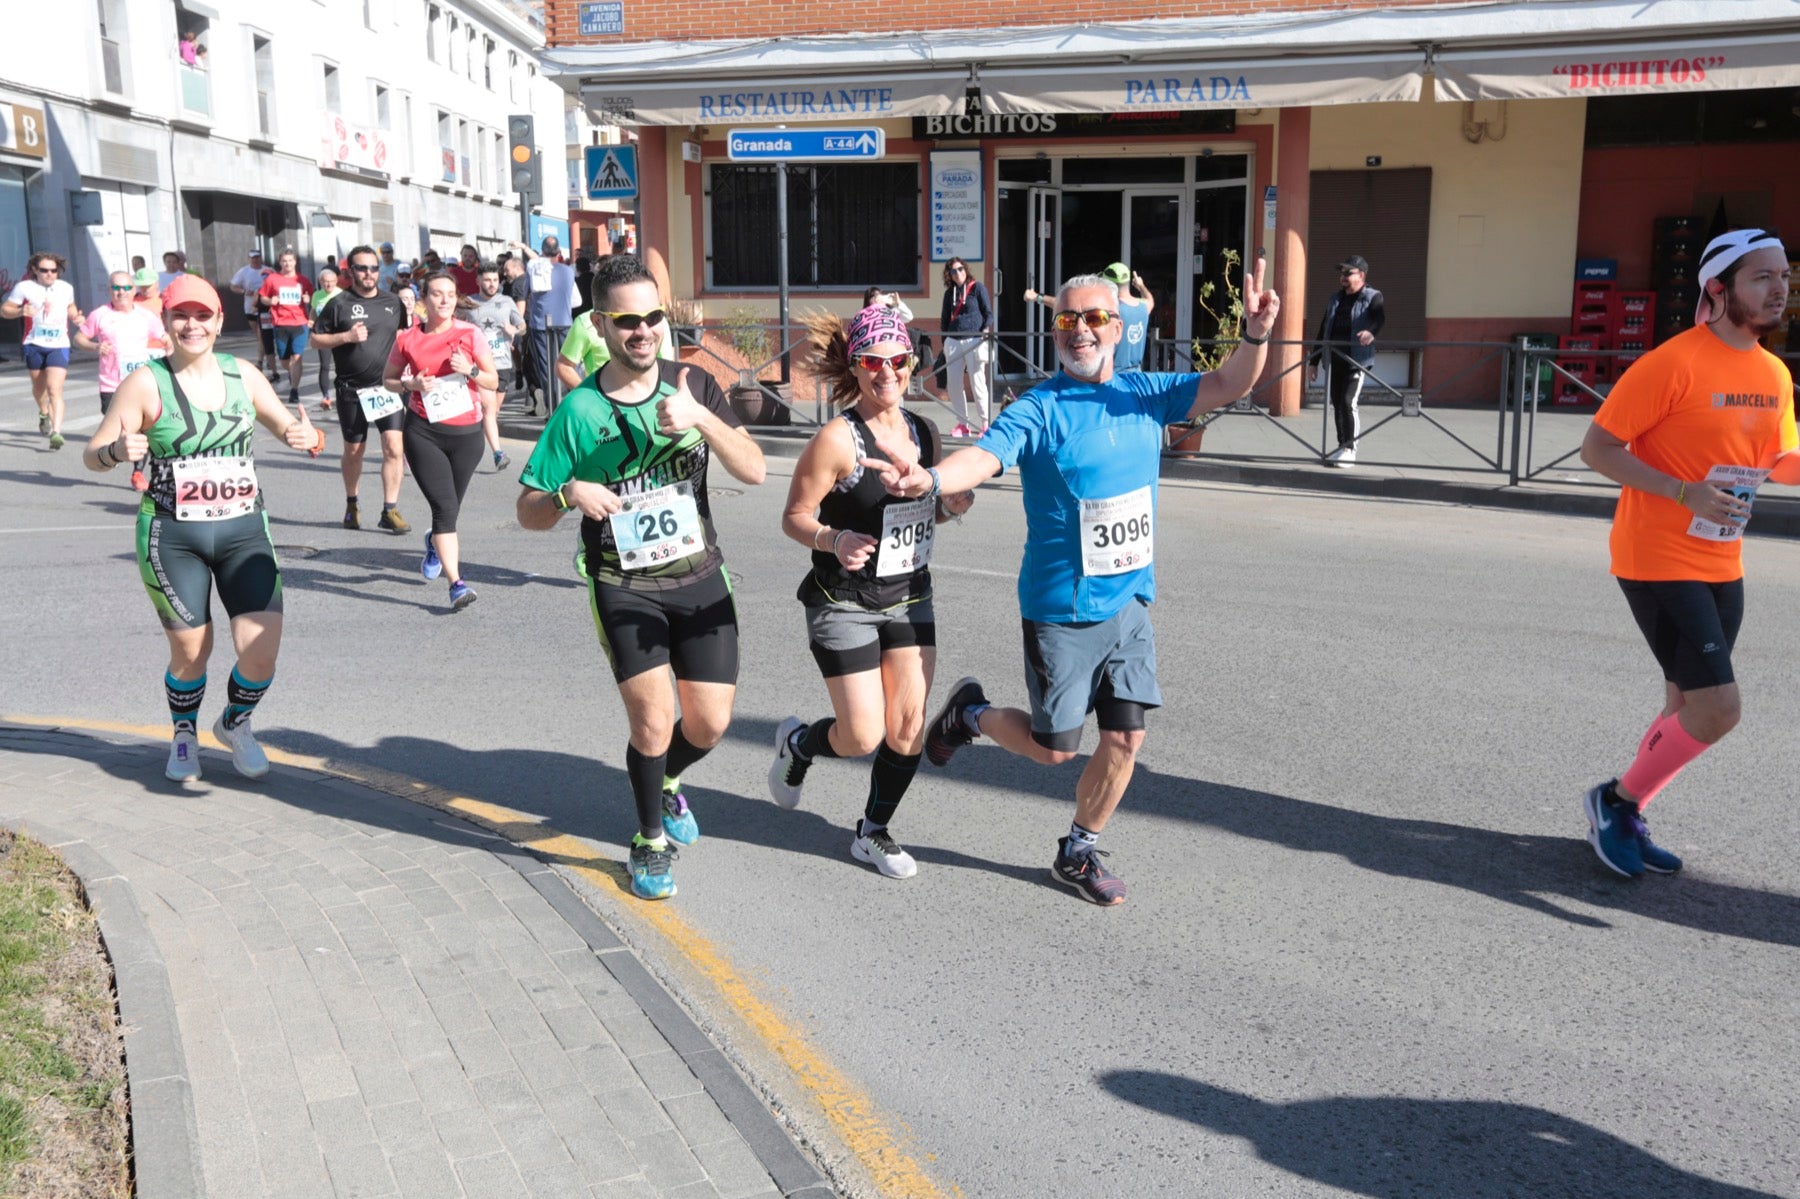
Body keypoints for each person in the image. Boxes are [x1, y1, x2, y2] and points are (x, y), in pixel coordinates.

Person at [863, 261, 1280, 905]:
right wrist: (934, 479)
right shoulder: (1040, 406)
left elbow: (1230, 381)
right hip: (1060, 609)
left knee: (1126, 737)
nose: (1079, 330)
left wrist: (1254, 335)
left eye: (1093, 318)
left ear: (1118, 327)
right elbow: (987, 455)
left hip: (1129, 603)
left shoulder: (1146, 393)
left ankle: (1077, 851)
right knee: (1054, 750)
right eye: (1066, 320)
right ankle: (969, 715)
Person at [514, 253, 767, 901]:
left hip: (700, 576)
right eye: (627, 320)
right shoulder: (579, 411)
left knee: (708, 724)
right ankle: (649, 840)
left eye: (653, 317)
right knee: (653, 721)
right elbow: (528, 510)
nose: (644, 331)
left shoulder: (693, 384)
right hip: (623, 583)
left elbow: (755, 469)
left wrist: (702, 418)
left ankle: (669, 780)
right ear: (600, 325)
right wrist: (569, 493)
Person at [1575, 228, 1797, 879]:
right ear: (1719, 288)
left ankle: (1625, 810)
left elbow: (1780, 460)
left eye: (1784, 276)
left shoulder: (1774, 372)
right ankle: (1616, 802)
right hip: (1657, 555)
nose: (1779, 288)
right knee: (1718, 707)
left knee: (1685, 704)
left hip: (1723, 558)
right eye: (1763, 276)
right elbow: (1598, 448)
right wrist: (1684, 492)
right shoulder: (1673, 363)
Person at [81, 275, 326, 783]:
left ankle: (234, 723)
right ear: (166, 322)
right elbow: (92, 454)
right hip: (172, 536)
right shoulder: (146, 382)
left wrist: (307, 436)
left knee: (260, 651)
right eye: (181, 316)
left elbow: (287, 426)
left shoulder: (243, 375)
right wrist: (116, 451)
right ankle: (184, 732)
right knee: (191, 650)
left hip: (244, 532)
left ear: (218, 321)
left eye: (202, 316)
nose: (191, 326)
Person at [768, 304, 974, 878]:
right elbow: (794, 516)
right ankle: (800, 745)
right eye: (873, 361)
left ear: (912, 364)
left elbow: (934, 507)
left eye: (898, 360)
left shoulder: (924, 433)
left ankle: (873, 832)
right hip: (843, 602)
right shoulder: (837, 440)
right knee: (862, 735)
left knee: (907, 726)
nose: (888, 372)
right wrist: (833, 539)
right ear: (855, 365)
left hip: (910, 593)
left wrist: (954, 503)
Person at [382, 270, 497, 610]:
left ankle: (434, 543)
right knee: (445, 510)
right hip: (424, 433)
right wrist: (411, 385)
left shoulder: (470, 334)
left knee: (450, 509)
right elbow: (388, 380)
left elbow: (492, 380)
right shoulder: (407, 339)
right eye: (436, 293)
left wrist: (470, 370)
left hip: (467, 436)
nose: (445, 300)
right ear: (423, 299)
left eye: (450, 294)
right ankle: (456, 584)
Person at [312, 245, 413, 534]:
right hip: (352, 390)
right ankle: (352, 503)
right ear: (350, 271)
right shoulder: (339, 304)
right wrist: (346, 336)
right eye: (362, 268)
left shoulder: (393, 302)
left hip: (386, 389)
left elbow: (403, 336)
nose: (369, 273)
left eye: (373, 268)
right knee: (354, 450)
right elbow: (315, 339)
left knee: (394, 447)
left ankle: (390, 510)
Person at [1309, 254, 1385, 467]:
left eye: (1348, 272)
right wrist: (1313, 362)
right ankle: (1342, 446)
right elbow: (1323, 329)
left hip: (1356, 360)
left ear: (1361, 275)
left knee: (1347, 402)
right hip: (1335, 360)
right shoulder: (1335, 298)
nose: (1343, 276)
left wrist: (1371, 332)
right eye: (1341, 272)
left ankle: (1350, 449)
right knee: (1337, 403)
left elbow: (1379, 318)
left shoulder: (1373, 296)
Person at [1, 252, 83, 449]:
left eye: (54, 270)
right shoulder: (24, 287)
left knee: (55, 389)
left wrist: (76, 316)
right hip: (34, 344)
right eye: (44, 270)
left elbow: (71, 307)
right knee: (39, 389)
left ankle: (56, 432)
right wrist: (20, 311)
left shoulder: (66, 288)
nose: (50, 274)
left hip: (59, 344)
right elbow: (5, 310)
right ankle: (44, 413)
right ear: (35, 270)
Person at [1024, 262, 1156, 373]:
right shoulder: (1143, 307)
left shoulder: (1112, 310)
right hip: (1136, 376)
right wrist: (1141, 286)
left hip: (1112, 377)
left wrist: (1037, 297)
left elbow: (1065, 307)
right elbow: (1150, 300)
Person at [74, 271, 170, 414]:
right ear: (109, 290)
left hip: (140, 383)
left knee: (143, 424)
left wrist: (170, 353)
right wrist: (95, 346)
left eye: (126, 288)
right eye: (116, 288)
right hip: (112, 386)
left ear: (134, 290)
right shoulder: (99, 314)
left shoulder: (146, 315)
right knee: (116, 426)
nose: (121, 292)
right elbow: (78, 338)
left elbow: (166, 339)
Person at [466, 261, 525, 469]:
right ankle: (498, 453)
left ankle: (476, 439)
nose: (492, 284)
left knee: (494, 410)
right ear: (478, 281)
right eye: (487, 280)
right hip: (480, 364)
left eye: (495, 280)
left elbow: (522, 326)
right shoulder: (469, 303)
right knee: (489, 408)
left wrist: (514, 330)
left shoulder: (506, 301)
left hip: (502, 363)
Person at [513, 237, 576, 414]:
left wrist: (523, 247)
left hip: (540, 323)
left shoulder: (534, 269)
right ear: (559, 253)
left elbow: (524, 294)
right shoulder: (568, 271)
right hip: (564, 321)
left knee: (546, 368)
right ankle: (575, 403)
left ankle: (552, 408)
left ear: (542, 252)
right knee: (570, 364)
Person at [556, 302, 675, 392]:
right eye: (624, 321)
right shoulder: (585, 323)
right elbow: (563, 365)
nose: (643, 332)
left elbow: (666, 366)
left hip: (650, 404)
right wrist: (590, 396)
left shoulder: (657, 320)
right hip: (604, 407)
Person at [938, 257, 993, 437]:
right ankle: (963, 424)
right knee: (954, 384)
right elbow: (944, 318)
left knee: (977, 382)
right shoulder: (949, 293)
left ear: (965, 269)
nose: (958, 273)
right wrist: (945, 341)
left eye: (960, 269)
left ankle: (985, 423)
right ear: (949, 275)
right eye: (953, 271)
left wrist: (986, 329)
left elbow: (988, 313)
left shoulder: (977, 288)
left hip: (974, 339)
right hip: (953, 341)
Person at [257, 248, 313, 404]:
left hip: (299, 323)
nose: (287, 264)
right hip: (280, 323)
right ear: (280, 262)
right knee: (284, 360)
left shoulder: (303, 280)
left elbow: (311, 295)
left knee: (297, 357)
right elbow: (262, 298)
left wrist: (308, 298)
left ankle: (294, 390)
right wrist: (270, 301)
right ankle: (291, 372)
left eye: (290, 260)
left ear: (295, 262)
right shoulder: (272, 279)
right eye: (284, 261)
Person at [229, 249, 276, 374]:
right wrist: (244, 291)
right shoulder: (244, 271)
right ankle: (267, 356)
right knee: (259, 335)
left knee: (262, 334)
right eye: (253, 258)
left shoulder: (268, 270)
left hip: (265, 308)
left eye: (257, 257)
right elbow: (233, 286)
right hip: (250, 307)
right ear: (249, 259)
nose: (255, 260)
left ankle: (261, 361)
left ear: (261, 258)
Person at [308, 266, 341, 410]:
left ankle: (341, 393)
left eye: (331, 281)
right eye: (325, 282)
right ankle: (326, 397)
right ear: (320, 282)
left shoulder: (341, 294)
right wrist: (311, 320)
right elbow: (313, 310)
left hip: (339, 335)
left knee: (341, 366)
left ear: (336, 281)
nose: (328, 284)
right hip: (323, 335)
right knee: (325, 366)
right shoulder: (317, 295)